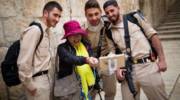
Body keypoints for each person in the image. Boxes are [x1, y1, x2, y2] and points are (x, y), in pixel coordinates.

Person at [103, 0, 168, 100]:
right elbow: (113, 53)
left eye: (112, 10)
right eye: (107, 13)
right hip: (128, 71)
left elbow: (153, 36)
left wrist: (162, 59)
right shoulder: (108, 31)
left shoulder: (134, 18)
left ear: (118, 8)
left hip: (147, 66)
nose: (110, 14)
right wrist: (117, 70)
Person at [17, 1, 62, 100]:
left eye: (59, 16)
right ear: (45, 13)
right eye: (55, 15)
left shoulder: (49, 32)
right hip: (37, 83)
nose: (57, 19)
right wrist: (30, 86)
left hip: (48, 81)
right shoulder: (35, 30)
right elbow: (24, 62)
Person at [55, 20, 98, 100]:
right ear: (67, 37)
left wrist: (94, 60)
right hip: (70, 89)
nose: (77, 38)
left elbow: (92, 56)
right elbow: (70, 58)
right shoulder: (62, 48)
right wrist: (86, 60)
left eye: (79, 35)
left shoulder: (86, 45)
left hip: (89, 86)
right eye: (73, 35)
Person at [83, 0, 117, 100]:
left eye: (96, 14)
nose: (94, 18)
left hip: (107, 60)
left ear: (101, 12)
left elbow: (114, 45)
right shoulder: (82, 30)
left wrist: (113, 57)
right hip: (91, 63)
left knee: (111, 91)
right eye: (90, 15)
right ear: (85, 15)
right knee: (91, 92)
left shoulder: (108, 25)